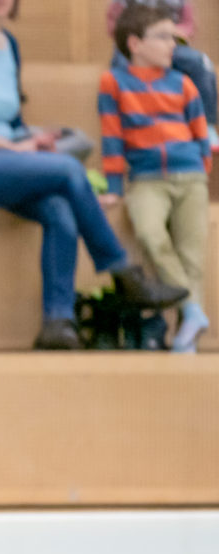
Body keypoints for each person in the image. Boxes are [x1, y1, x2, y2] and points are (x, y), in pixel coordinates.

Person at [0, 0, 189, 350]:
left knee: (59, 207)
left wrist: (31, 140)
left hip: (1, 159)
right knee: (68, 170)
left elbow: (8, 119)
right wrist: (15, 150)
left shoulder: (8, 45)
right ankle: (123, 273)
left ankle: (57, 322)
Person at [99, 3, 212, 352]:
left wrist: (200, 169)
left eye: (173, 37)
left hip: (190, 176)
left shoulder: (184, 84)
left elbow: (200, 133)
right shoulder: (113, 83)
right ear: (134, 44)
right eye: (163, 37)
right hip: (147, 178)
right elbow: (112, 138)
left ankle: (186, 338)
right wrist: (115, 187)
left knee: (191, 255)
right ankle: (192, 309)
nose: (172, 45)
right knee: (151, 235)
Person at [106, 0, 219, 149]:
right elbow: (112, 23)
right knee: (119, 67)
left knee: (200, 62)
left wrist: (170, 33)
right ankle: (129, 123)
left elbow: (189, 25)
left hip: (167, 44)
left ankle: (207, 124)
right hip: (132, 45)